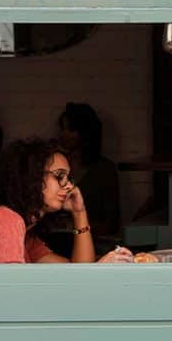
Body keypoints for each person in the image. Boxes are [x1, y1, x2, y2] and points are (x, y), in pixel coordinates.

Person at [0, 138, 133, 264]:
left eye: (69, 179)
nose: (68, 186)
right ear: (31, 176)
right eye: (59, 176)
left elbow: (75, 275)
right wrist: (99, 268)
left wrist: (79, 213)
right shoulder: (2, 220)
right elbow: (13, 294)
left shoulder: (25, 237)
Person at [56, 102, 121, 247]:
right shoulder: (57, 167)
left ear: (85, 132)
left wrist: (78, 225)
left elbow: (112, 222)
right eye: (62, 128)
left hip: (93, 242)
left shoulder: (104, 169)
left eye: (70, 129)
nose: (63, 134)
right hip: (57, 242)